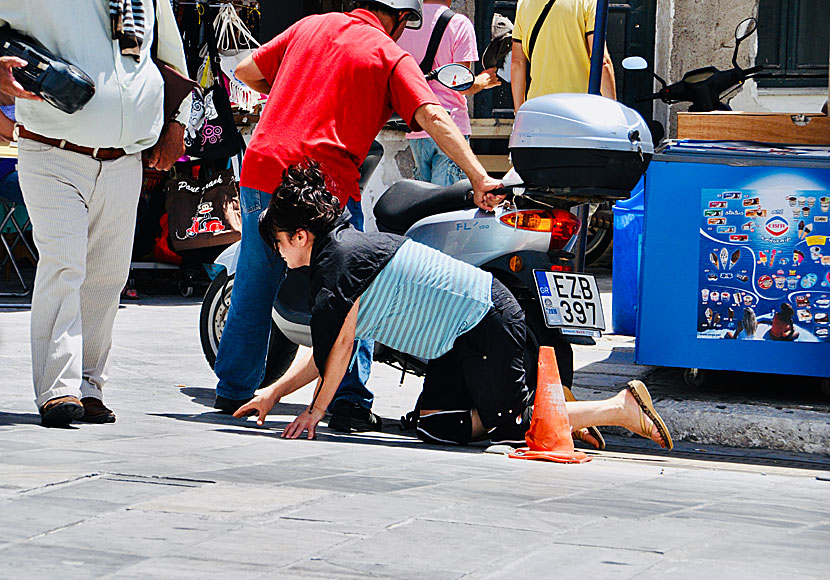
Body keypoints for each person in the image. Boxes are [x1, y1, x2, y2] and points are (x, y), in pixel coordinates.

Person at [234, 161, 673, 452]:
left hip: (487, 323)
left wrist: (313, 413)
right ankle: (557, 407)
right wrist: (273, 394)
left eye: (277, 243)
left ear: (299, 236)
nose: (279, 254)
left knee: (510, 424)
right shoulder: (340, 255)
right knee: (435, 425)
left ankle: (617, 408)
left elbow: (338, 352)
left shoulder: (337, 268)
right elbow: (331, 346)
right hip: (457, 341)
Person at [214, 0, 504, 432]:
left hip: (264, 167)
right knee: (351, 285)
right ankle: (349, 400)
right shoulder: (389, 54)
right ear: (401, 19)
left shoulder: (312, 25)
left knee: (256, 281)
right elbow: (433, 114)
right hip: (322, 185)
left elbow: (245, 71)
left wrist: (297, 92)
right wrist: (480, 177)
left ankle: (234, 392)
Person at [0, 1, 190, 427]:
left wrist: (176, 124)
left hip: (125, 159)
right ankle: (57, 389)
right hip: (52, 150)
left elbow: (170, 59)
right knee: (64, 265)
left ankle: (88, 385)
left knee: (108, 276)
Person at [397, 0, 500, 186]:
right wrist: (483, 81)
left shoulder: (406, 24)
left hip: (417, 125)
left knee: (424, 203)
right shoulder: (458, 24)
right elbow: (463, 84)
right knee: (446, 207)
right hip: (449, 125)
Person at [511, 0, 616, 112]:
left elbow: (517, 63)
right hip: (580, 108)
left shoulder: (524, 3)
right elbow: (602, 61)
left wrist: (519, 112)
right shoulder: (588, 2)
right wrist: (614, 111)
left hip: (539, 108)